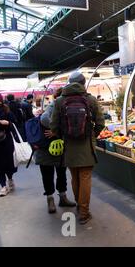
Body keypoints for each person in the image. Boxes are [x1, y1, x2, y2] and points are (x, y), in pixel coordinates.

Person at [50, 72, 105, 224]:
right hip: (86, 145)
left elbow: (53, 126)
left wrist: (63, 136)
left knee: (74, 177)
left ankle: (79, 207)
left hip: (69, 146)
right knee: (85, 177)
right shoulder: (91, 99)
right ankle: (84, 212)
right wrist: (92, 135)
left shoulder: (60, 101)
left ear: (69, 82)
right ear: (83, 82)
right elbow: (101, 122)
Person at [34, 88, 76, 213]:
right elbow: (45, 119)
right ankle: (50, 199)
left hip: (58, 148)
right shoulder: (55, 105)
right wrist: (56, 130)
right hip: (46, 148)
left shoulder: (62, 105)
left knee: (61, 173)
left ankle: (62, 197)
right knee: (48, 174)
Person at [0, 93, 17, 197]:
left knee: (8, 163)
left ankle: (10, 178)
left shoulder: (6, 111)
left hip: (6, 142)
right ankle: (3, 186)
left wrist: (7, 123)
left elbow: (14, 123)